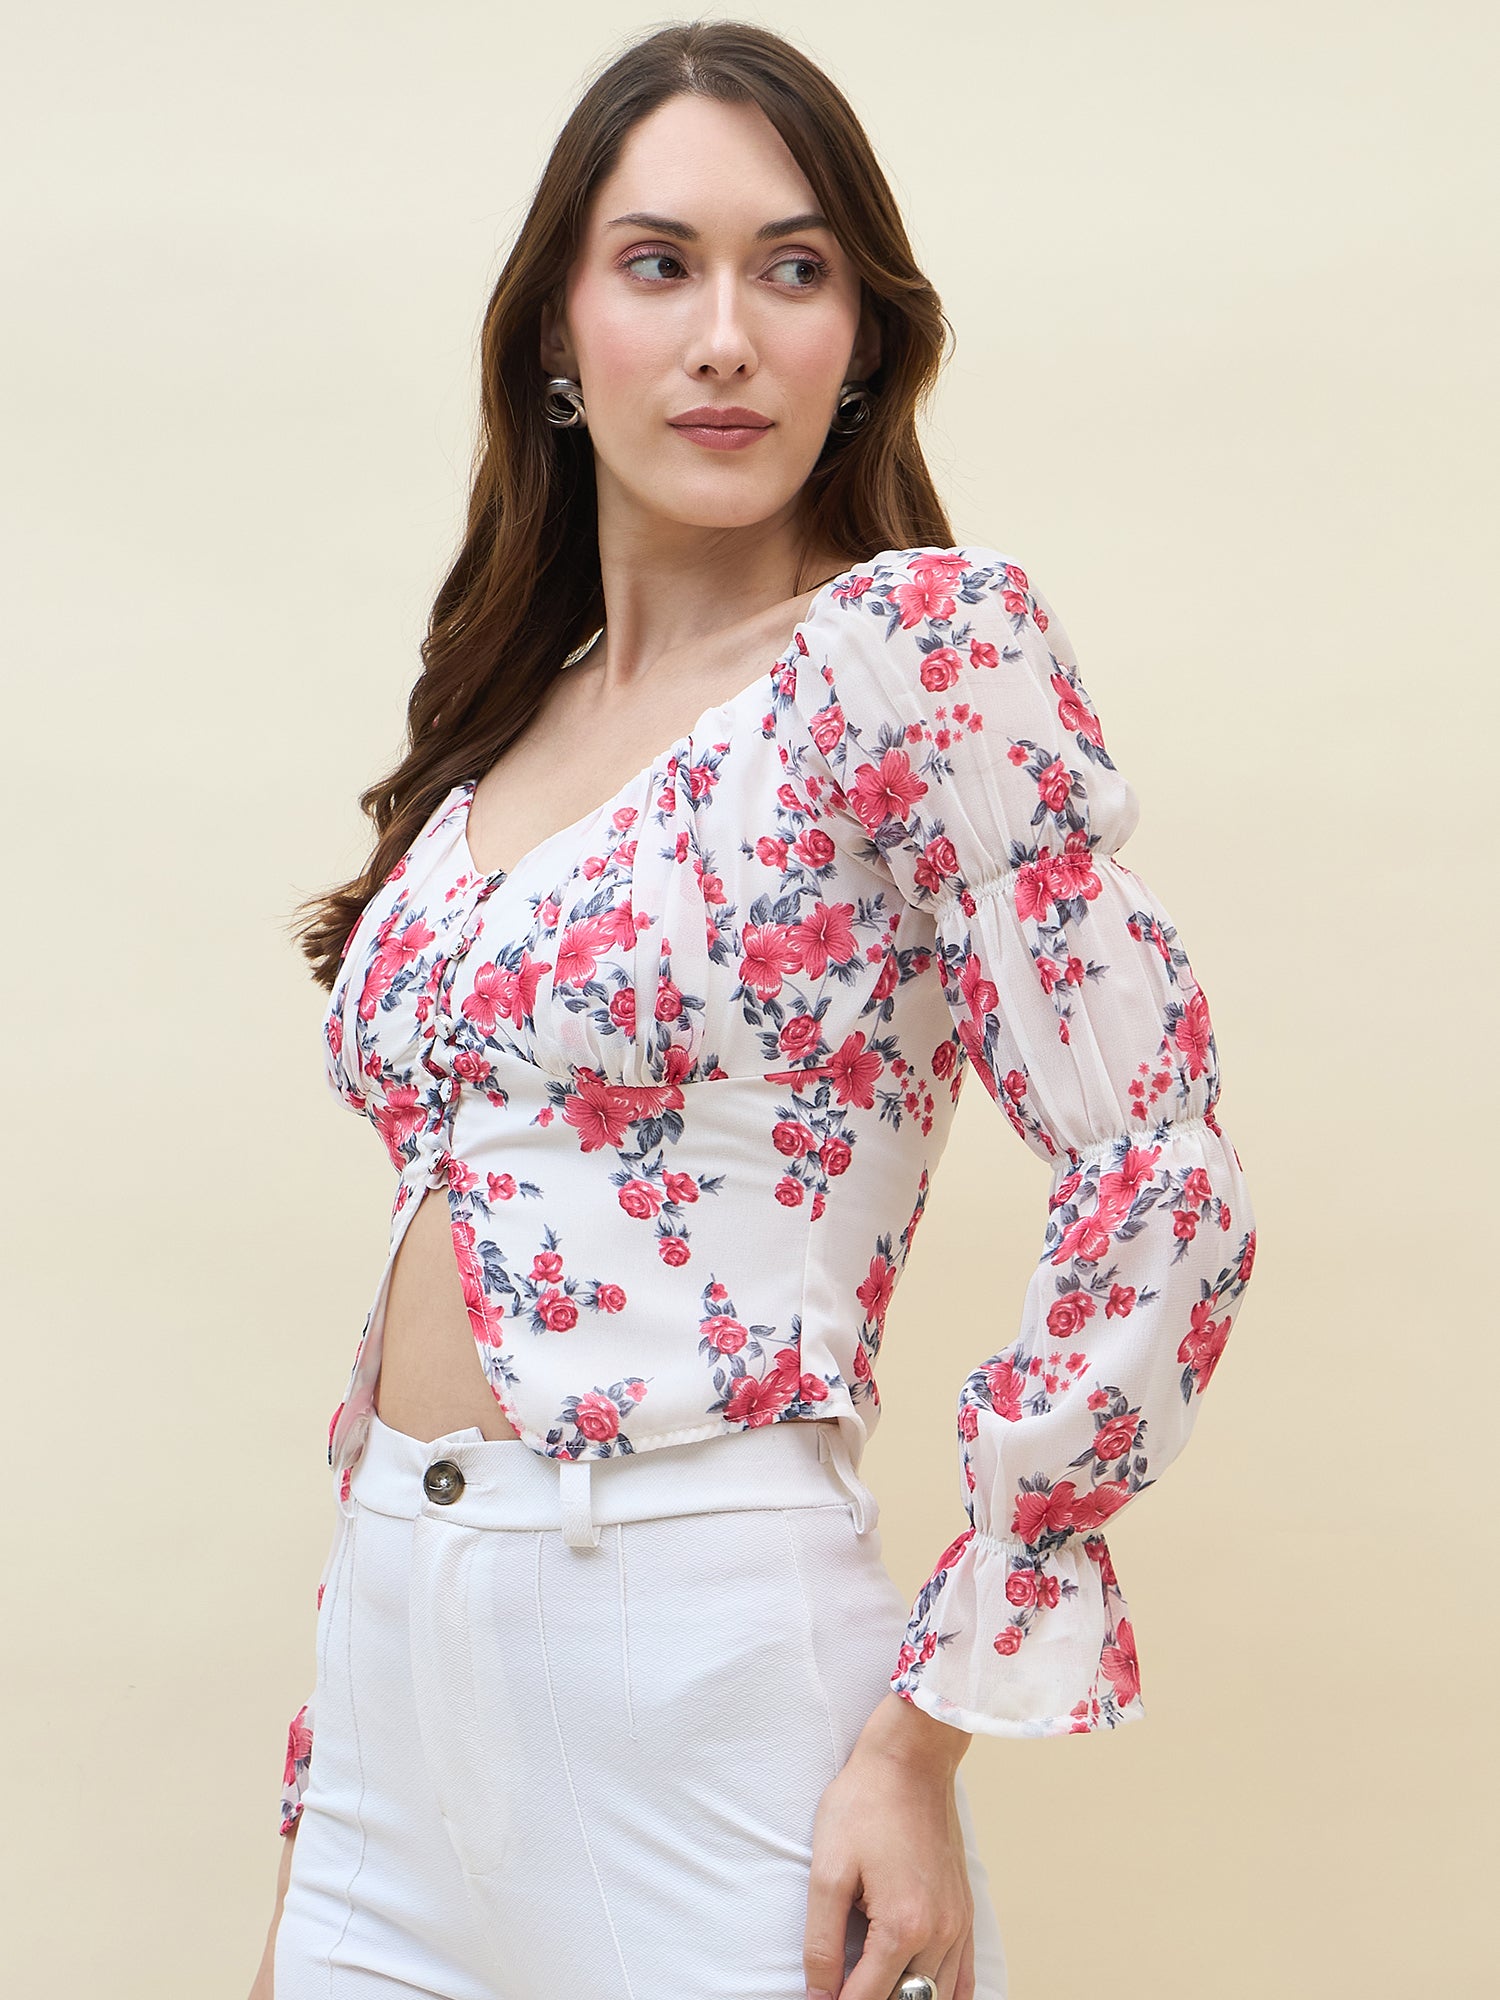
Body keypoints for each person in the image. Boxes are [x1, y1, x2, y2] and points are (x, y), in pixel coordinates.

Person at [251, 21, 1255, 2000]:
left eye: (793, 270)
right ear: (557, 327)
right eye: (660, 263)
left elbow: (1165, 1177)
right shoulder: (498, 719)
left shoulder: (912, 662)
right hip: (392, 1684)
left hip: (697, 1678)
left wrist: (922, 1727)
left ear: (861, 341)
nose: (728, 333)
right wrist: (333, 1781)